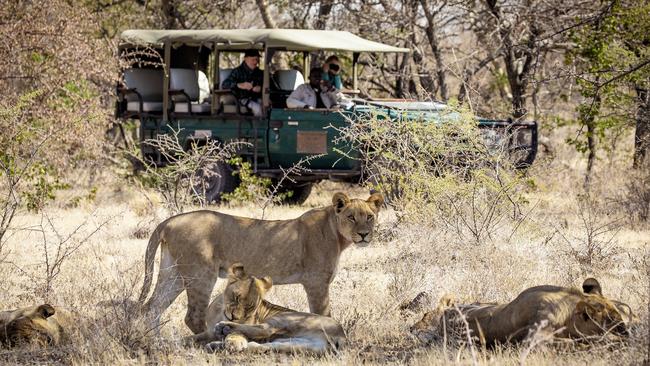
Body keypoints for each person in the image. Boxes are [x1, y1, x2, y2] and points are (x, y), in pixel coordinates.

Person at [222, 49, 264, 116]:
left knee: (268, 106)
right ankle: (259, 126)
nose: (255, 62)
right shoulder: (237, 72)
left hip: (257, 98)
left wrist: (261, 88)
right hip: (241, 99)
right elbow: (225, 85)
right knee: (257, 108)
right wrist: (239, 85)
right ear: (246, 59)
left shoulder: (260, 73)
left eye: (257, 59)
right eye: (253, 60)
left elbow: (271, 86)